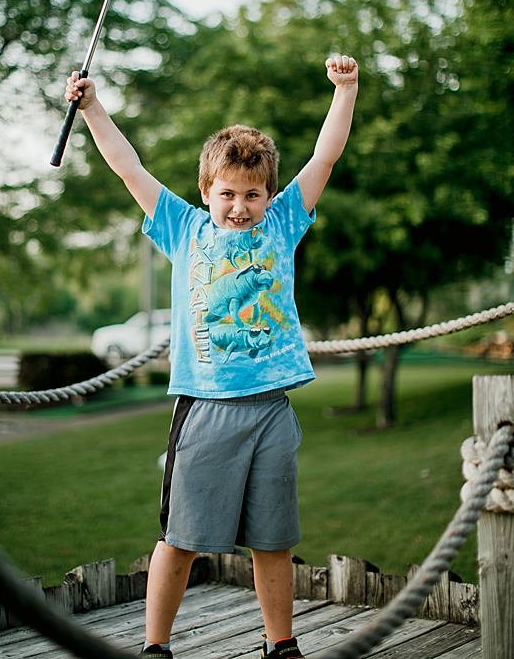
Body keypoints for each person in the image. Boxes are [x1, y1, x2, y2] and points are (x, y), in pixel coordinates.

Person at [67, 56, 360, 659]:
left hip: (272, 409)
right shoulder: (183, 228)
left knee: (273, 538)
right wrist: (92, 107)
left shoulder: (283, 225)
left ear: (270, 195)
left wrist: (345, 90)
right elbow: (129, 167)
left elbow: (324, 157)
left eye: (252, 194)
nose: (239, 206)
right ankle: (156, 646)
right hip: (204, 408)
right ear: (206, 191)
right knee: (180, 537)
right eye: (227, 193)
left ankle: (281, 644)